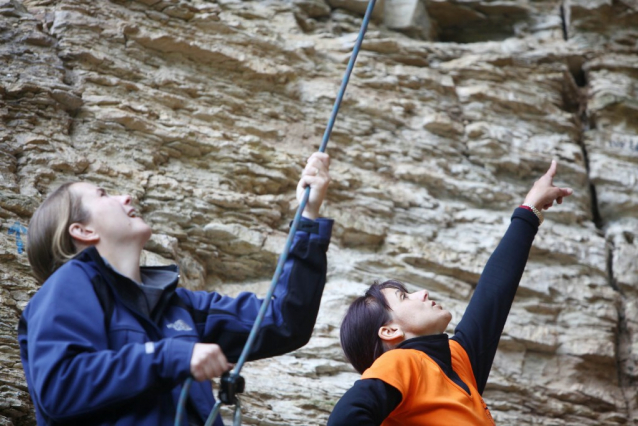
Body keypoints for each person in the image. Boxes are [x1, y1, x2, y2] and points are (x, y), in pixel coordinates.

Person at [18, 152, 333, 426]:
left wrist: (307, 217)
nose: (125, 197)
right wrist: (171, 356)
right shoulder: (67, 285)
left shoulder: (178, 306)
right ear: (82, 230)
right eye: (103, 195)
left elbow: (281, 320)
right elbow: (61, 386)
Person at [328, 160, 573, 426]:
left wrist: (530, 208)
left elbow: (493, 295)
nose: (422, 293)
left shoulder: (457, 362)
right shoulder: (400, 363)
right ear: (389, 331)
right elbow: (344, 420)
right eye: (404, 297)